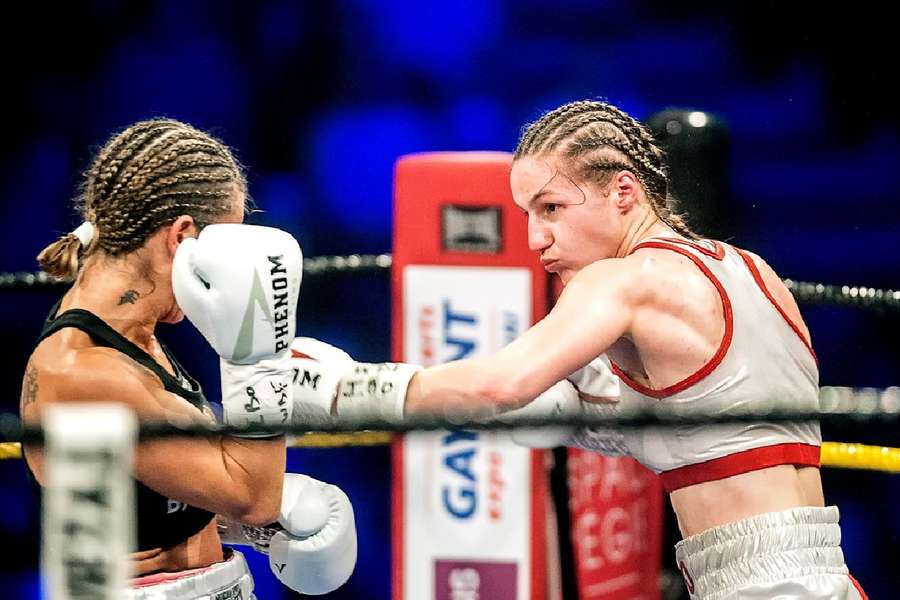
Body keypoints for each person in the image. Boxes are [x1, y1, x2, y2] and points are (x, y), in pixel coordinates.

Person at [290, 101, 868, 599]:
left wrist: (351, 387)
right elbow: (723, 429)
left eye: (552, 209)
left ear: (623, 192)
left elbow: (499, 385)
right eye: (526, 216)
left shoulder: (621, 281)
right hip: (825, 574)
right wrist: (576, 417)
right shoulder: (751, 270)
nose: (535, 238)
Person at [20, 118, 356, 598]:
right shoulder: (83, 369)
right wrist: (259, 360)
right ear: (181, 237)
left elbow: (161, 490)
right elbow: (253, 497)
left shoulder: (134, 336)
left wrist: (251, 525)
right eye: (226, 245)